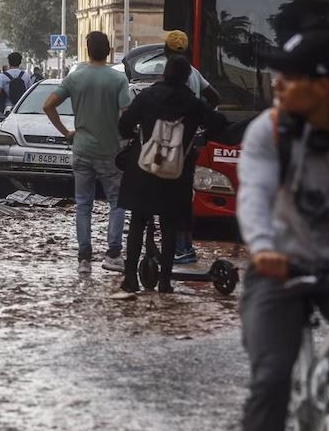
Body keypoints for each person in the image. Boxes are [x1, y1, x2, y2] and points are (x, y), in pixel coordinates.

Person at [237, 30, 329, 431]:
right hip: (278, 267)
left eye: (290, 77)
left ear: (323, 87)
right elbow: (253, 194)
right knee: (271, 378)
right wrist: (262, 247)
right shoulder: (269, 131)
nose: (276, 83)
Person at [116, 55, 226, 293]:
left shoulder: (146, 97)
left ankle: (131, 279)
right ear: (187, 77)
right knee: (169, 225)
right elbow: (219, 123)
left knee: (137, 222)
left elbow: (124, 124)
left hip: (143, 170)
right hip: (176, 173)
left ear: (164, 73)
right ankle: (165, 282)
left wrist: (140, 133)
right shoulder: (193, 103)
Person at [43, 32, 132, 274]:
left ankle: (84, 259)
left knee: (83, 204)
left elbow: (48, 105)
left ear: (87, 50)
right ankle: (113, 254)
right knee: (116, 202)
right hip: (109, 151)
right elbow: (127, 111)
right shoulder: (118, 80)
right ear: (109, 51)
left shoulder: (75, 77)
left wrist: (66, 132)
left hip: (80, 148)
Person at [163, 30, 222, 264]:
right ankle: (183, 246)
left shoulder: (175, 76)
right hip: (189, 144)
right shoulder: (195, 73)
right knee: (183, 196)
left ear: (166, 51)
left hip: (172, 145)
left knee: (172, 198)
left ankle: (180, 248)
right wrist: (202, 122)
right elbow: (214, 96)